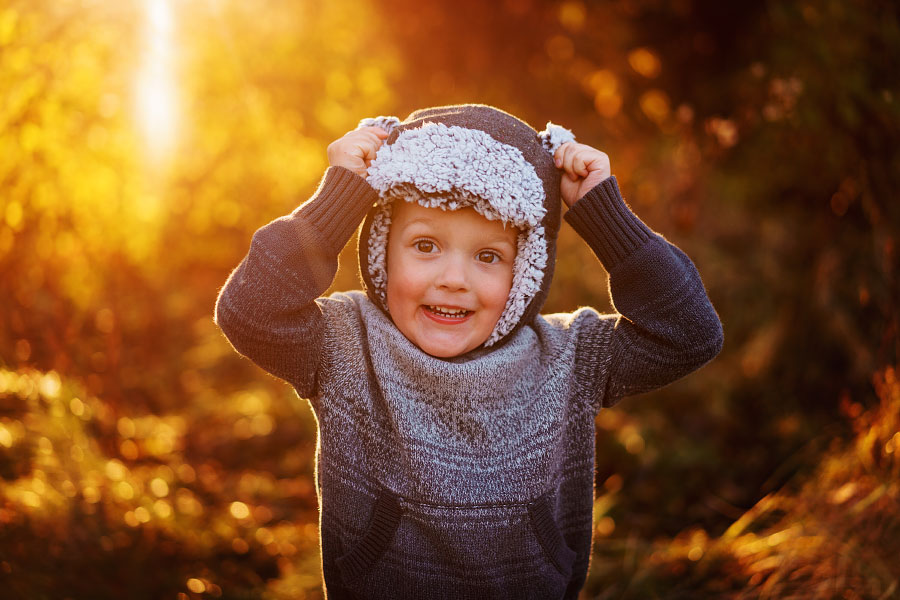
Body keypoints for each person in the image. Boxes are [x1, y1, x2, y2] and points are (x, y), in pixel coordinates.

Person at [215, 104, 723, 600]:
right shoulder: (346, 345)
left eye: (488, 256)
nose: (453, 280)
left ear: (525, 271)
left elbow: (689, 335)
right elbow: (249, 311)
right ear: (382, 250)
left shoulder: (570, 358)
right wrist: (341, 199)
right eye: (425, 246)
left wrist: (605, 214)